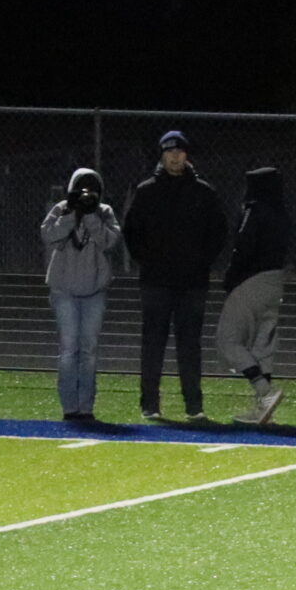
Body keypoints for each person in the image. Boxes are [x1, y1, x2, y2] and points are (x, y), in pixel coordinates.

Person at [122, 129, 228, 423]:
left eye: (179, 151)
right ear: (161, 155)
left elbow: (218, 232)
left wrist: (201, 262)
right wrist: (148, 261)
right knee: (152, 344)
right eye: (170, 152)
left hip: (192, 282)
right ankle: (150, 404)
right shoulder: (146, 191)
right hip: (155, 282)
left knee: (190, 346)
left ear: (187, 155)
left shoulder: (204, 192)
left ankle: (194, 406)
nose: (175, 157)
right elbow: (131, 232)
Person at [39, 167, 121, 424]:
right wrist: (72, 214)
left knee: (89, 350)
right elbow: (49, 236)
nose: (86, 195)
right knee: (69, 349)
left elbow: (110, 242)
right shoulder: (61, 208)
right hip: (64, 289)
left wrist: (91, 215)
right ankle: (69, 407)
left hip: (94, 290)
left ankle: (86, 407)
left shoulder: (104, 211)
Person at [216, 165, 291, 425]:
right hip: (275, 280)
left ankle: (264, 391)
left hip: (252, 281)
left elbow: (244, 245)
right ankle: (263, 408)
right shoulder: (281, 213)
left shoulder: (254, 209)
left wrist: (231, 276)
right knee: (263, 344)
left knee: (228, 340)